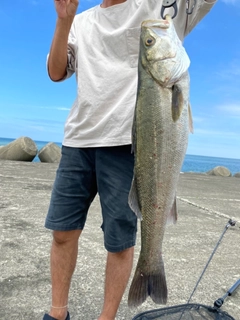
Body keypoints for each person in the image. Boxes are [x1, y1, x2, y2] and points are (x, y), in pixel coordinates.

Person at [43, 0, 217, 319]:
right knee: (62, 231)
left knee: (120, 242)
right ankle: (56, 313)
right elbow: (56, 72)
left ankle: (106, 317)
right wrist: (63, 21)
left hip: (130, 145)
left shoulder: (162, 9)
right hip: (78, 139)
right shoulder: (82, 21)